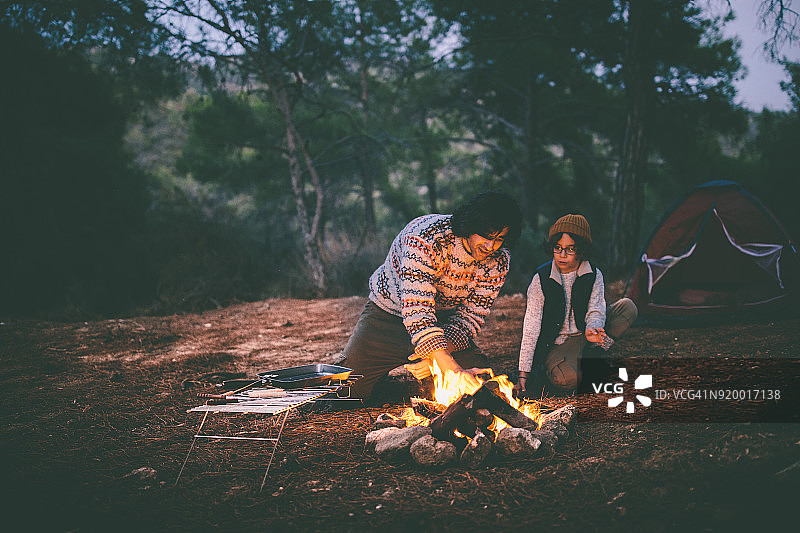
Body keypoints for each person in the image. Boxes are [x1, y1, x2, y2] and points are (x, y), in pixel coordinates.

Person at [340, 191, 522, 403]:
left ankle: (423, 384)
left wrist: (437, 357)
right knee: (345, 392)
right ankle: (382, 383)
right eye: (486, 236)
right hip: (388, 316)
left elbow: (470, 318)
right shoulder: (425, 239)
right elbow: (417, 312)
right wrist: (449, 366)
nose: (491, 246)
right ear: (470, 225)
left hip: (442, 321)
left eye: (499, 239)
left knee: (481, 386)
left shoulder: (499, 261)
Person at [514, 214, 638, 398]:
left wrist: (593, 328)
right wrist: (524, 372)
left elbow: (596, 308)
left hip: (586, 334)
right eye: (558, 248)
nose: (562, 255)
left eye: (570, 249)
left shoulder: (593, 273)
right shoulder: (541, 279)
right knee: (566, 379)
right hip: (560, 342)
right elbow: (531, 326)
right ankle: (584, 364)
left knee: (627, 308)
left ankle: (594, 352)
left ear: (581, 250)